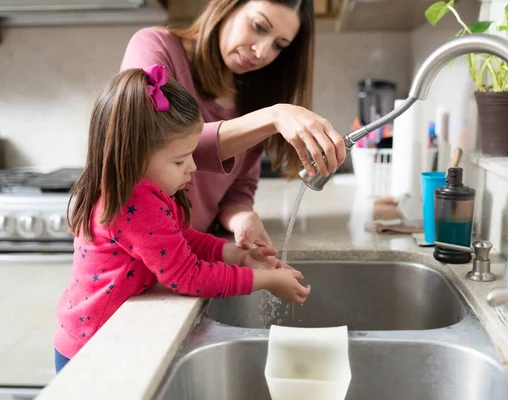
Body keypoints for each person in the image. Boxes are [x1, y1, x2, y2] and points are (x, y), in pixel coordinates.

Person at [53, 65, 311, 374]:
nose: (191, 167)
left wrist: (235, 254)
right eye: (179, 160)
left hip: (95, 338)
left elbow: (178, 237)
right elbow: (187, 276)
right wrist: (265, 280)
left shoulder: (138, 188)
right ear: (132, 155)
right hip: (92, 351)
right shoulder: (135, 201)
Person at [120, 0, 347, 250]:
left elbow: (238, 190)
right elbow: (154, 144)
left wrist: (241, 217)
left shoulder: (250, 98)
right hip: (135, 260)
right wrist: (273, 117)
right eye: (259, 26)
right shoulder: (154, 45)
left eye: (278, 46)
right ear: (229, 6)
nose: (262, 52)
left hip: (186, 258)